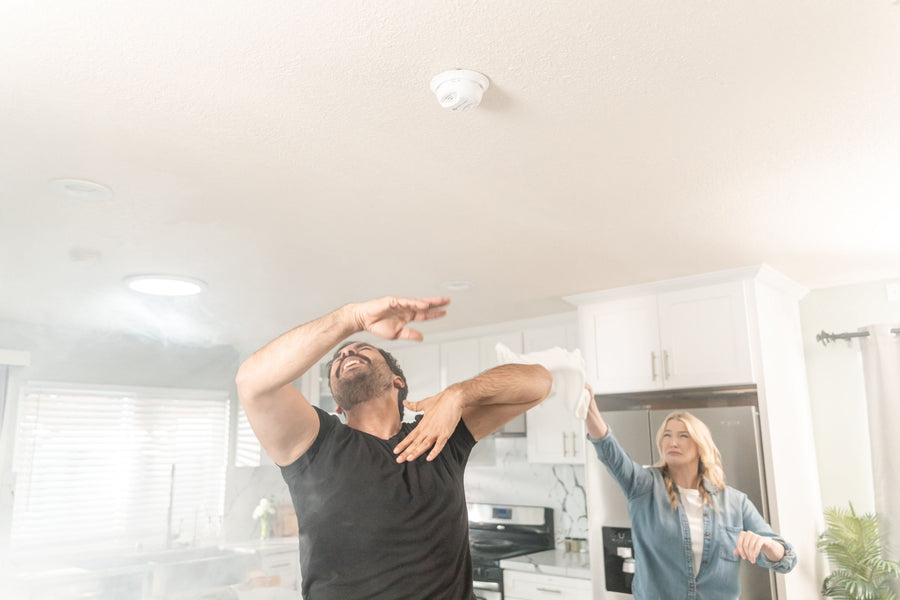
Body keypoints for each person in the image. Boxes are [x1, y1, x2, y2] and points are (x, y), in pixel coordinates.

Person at [235, 296, 552, 600]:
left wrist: (460, 394)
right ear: (335, 404)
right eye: (339, 358)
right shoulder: (315, 445)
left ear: (397, 381)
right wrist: (353, 319)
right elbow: (252, 382)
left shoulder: (437, 436)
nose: (346, 354)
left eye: (362, 350)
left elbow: (539, 383)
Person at [583, 388, 796, 600]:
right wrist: (589, 408)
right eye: (667, 435)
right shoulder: (644, 486)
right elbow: (610, 452)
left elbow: (786, 561)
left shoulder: (735, 502)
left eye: (683, 436)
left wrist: (766, 544)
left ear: (700, 446)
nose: (673, 442)